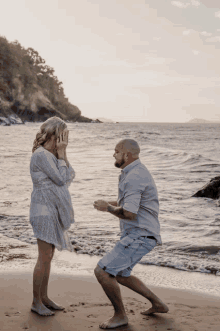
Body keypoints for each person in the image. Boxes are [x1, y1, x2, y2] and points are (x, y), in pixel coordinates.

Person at [93, 139, 169, 329]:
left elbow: (130, 213)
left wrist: (108, 208)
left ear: (126, 155)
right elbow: (128, 205)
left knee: (102, 271)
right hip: (142, 234)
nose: (113, 154)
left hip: (140, 235)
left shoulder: (134, 176)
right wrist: (108, 205)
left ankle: (120, 316)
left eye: (116, 151)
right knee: (120, 274)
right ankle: (158, 304)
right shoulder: (133, 172)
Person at [30, 116, 75, 316]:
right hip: (42, 210)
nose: (66, 140)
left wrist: (62, 154)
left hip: (52, 209)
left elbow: (70, 175)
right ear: (55, 134)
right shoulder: (41, 155)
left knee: (49, 256)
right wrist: (62, 152)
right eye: (64, 135)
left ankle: (45, 297)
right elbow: (60, 179)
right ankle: (36, 302)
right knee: (44, 256)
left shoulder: (52, 155)